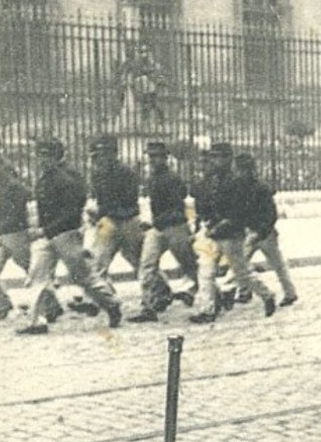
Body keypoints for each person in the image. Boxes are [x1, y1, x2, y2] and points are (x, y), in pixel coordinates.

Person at [16, 137, 121, 333]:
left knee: (83, 277)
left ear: (56, 156)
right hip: (48, 235)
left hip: (66, 235)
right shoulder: (48, 176)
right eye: (39, 155)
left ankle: (112, 304)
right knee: (37, 276)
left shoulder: (67, 178)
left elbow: (72, 213)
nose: (40, 159)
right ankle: (37, 321)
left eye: (44, 155)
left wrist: (44, 230)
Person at [190, 141, 276, 324]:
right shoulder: (213, 180)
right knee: (206, 271)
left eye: (218, 157)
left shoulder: (237, 183)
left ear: (228, 159)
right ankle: (206, 309)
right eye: (212, 157)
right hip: (213, 232)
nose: (214, 161)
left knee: (242, 273)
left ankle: (267, 295)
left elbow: (239, 213)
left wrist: (219, 226)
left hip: (231, 234)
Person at [126, 140, 199, 324]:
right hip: (159, 228)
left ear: (165, 158)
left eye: (157, 156)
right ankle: (148, 306)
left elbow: (177, 205)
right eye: (151, 156)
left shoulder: (173, 178)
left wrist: (157, 221)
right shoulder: (151, 179)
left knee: (190, 266)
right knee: (147, 265)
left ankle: (214, 295)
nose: (153, 160)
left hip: (175, 227)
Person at [233, 152, 297, 307]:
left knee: (277, 264)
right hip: (250, 232)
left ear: (248, 170)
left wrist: (261, 231)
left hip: (264, 233)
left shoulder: (261, 188)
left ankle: (290, 293)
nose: (238, 173)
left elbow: (271, 214)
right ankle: (245, 291)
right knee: (241, 263)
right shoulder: (238, 188)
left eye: (241, 170)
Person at [86, 134, 145, 280]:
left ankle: (159, 292)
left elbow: (130, 201)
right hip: (109, 222)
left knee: (139, 261)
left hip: (128, 222)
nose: (100, 159)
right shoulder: (97, 175)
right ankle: (104, 299)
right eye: (98, 155)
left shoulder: (126, 172)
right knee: (98, 261)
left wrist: (101, 212)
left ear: (113, 154)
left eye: (104, 154)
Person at [0, 138, 32, 322]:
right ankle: (1, 304)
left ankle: (51, 305)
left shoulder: (2, 171)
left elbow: (23, 193)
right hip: (2, 229)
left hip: (12, 230)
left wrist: (11, 217)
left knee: (32, 269)